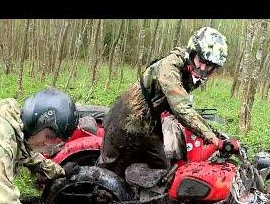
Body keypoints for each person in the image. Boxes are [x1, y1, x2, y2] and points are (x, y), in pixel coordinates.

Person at [99, 26, 240, 177]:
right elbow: (181, 107)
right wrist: (213, 139)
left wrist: (218, 136)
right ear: (192, 52)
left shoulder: (191, 72)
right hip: (126, 119)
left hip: (151, 125)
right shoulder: (169, 67)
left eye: (209, 66)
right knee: (109, 173)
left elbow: (185, 108)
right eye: (201, 61)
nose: (202, 68)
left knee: (163, 172)